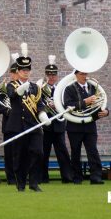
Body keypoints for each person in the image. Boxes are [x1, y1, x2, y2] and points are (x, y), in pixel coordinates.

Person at [4, 44, 50, 192]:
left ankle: (34, 182)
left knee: (38, 153)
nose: (26, 73)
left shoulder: (35, 87)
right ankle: (21, 184)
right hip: (17, 126)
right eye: (23, 70)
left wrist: (43, 115)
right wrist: (20, 89)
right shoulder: (11, 85)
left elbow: (40, 103)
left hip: (33, 126)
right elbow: (12, 95)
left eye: (27, 70)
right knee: (19, 157)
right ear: (17, 71)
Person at [64, 70, 109, 184]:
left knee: (93, 151)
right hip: (74, 126)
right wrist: (85, 102)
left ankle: (96, 177)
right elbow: (68, 105)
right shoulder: (69, 89)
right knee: (75, 152)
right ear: (76, 75)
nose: (85, 76)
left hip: (90, 125)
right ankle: (77, 178)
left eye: (86, 74)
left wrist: (106, 112)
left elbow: (101, 101)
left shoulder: (93, 87)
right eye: (82, 74)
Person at [40, 56, 73, 184]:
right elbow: (38, 104)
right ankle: (43, 177)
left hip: (59, 125)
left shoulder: (62, 89)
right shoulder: (41, 89)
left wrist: (57, 105)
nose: (51, 77)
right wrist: (47, 106)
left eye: (54, 74)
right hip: (46, 124)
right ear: (46, 75)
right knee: (44, 153)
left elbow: (66, 103)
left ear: (57, 75)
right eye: (49, 74)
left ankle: (67, 177)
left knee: (62, 153)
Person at [0, 53, 19, 185]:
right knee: (10, 153)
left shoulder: (26, 86)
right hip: (9, 124)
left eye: (17, 72)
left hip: (22, 124)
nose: (15, 75)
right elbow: (0, 104)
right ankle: (11, 178)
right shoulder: (5, 88)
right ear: (11, 74)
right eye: (14, 73)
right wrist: (9, 111)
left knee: (21, 152)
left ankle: (21, 175)